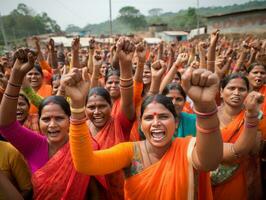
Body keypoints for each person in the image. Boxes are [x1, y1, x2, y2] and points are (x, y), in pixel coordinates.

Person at [67, 65, 224, 199]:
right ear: (141, 125)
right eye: (149, 118)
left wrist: (205, 107)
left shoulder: (188, 149)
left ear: (176, 123)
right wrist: (76, 105)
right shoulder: (130, 152)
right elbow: (85, 164)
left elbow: (210, 162)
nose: (156, 123)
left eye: (163, 116)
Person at [0, 49, 107, 199]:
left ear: (69, 120)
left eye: (59, 118)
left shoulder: (83, 145)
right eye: (46, 119)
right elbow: (6, 125)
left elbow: (94, 192)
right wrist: (16, 74)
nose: (52, 125)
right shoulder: (34, 144)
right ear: (38, 120)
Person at [211, 73, 265, 200]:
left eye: (242, 89)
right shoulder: (210, 116)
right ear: (221, 92)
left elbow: (254, 149)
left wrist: (252, 115)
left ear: (248, 93)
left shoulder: (256, 116)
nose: (236, 93)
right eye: (231, 88)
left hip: (242, 178)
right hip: (208, 178)